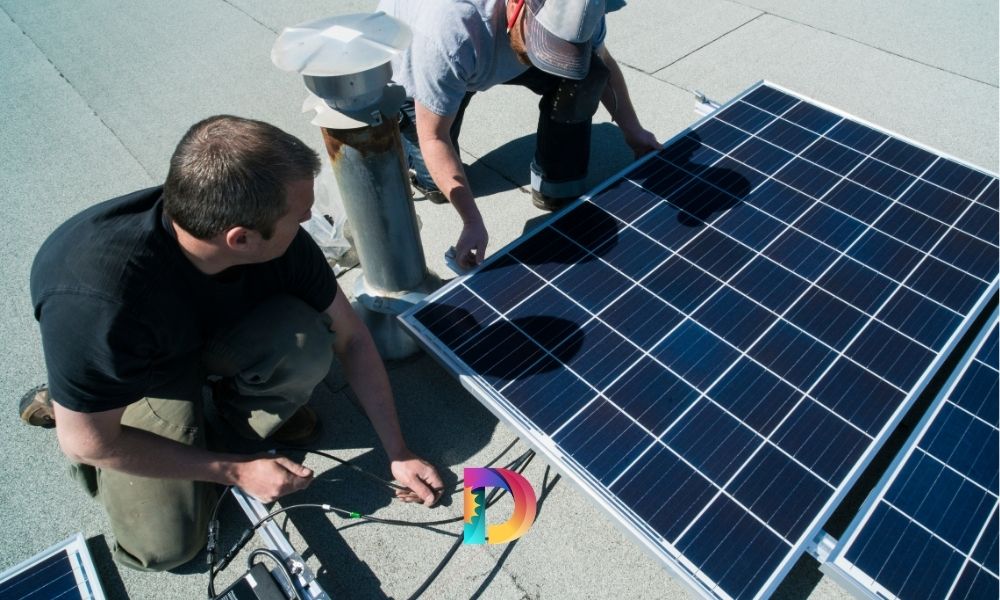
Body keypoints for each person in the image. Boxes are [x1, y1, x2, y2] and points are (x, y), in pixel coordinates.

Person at [22, 115, 443, 572]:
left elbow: (353, 338)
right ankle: (74, 397)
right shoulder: (97, 304)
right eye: (298, 216)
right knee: (165, 548)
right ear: (240, 239)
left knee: (305, 341)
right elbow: (86, 443)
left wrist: (399, 451)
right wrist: (234, 472)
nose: (308, 221)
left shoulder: (269, 238)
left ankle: (221, 424)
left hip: (199, 339)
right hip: (146, 375)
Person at [378, 0, 660, 270]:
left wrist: (633, 131)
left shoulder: (582, 9)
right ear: (515, 5)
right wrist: (471, 221)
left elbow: (604, 64)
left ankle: (556, 183)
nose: (549, 58)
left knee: (584, 74)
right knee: (438, 185)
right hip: (419, 57)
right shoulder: (449, 30)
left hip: (488, 44)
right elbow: (434, 137)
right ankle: (405, 142)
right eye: (544, 45)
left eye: (560, 51)